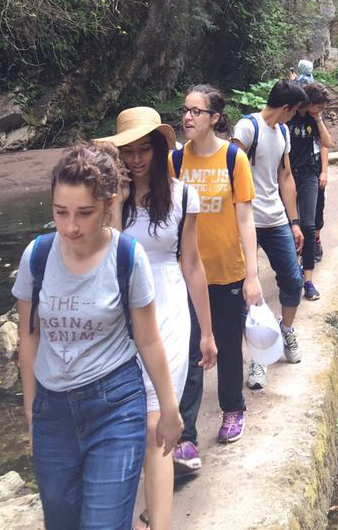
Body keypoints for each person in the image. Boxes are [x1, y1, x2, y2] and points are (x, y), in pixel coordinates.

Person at [12, 143, 182, 530]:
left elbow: (149, 339)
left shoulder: (127, 256)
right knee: (61, 521)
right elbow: (29, 337)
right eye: (60, 212)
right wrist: (31, 413)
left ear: (107, 204)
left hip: (115, 407)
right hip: (52, 412)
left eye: (84, 213)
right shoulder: (36, 256)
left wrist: (168, 408)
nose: (70, 227)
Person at [104, 107, 216, 530]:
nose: (135, 160)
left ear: (159, 148)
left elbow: (191, 263)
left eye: (143, 150)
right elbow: (111, 248)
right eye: (127, 152)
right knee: (128, 414)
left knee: (157, 419)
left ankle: (158, 520)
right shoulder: (111, 197)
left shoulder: (185, 195)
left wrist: (207, 332)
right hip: (120, 308)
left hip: (167, 304)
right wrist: (114, 193)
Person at [171, 84, 261, 470]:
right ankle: (186, 437)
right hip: (187, 276)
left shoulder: (233, 158)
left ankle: (232, 409)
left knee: (225, 344)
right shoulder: (175, 162)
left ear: (215, 118)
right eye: (185, 110)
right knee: (190, 351)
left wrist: (253, 275)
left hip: (227, 273)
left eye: (196, 111)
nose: (188, 117)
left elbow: (245, 218)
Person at [232, 80, 306, 390]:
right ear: (287, 108)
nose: (295, 117)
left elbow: (285, 176)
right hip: (245, 220)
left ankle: (286, 330)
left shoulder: (284, 132)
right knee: (249, 293)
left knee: (292, 280)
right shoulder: (248, 127)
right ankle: (257, 359)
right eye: (295, 111)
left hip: (275, 219)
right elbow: (228, 170)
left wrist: (295, 221)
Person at [287, 83, 333, 301]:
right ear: (310, 102)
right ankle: (291, 269)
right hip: (287, 175)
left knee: (308, 224)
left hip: (308, 174)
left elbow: (327, 143)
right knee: (290, 224)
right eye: (320, 106)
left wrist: (318, 119)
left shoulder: (313, 120)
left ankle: (308, 281)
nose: (322, 109)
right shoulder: (289, 117)